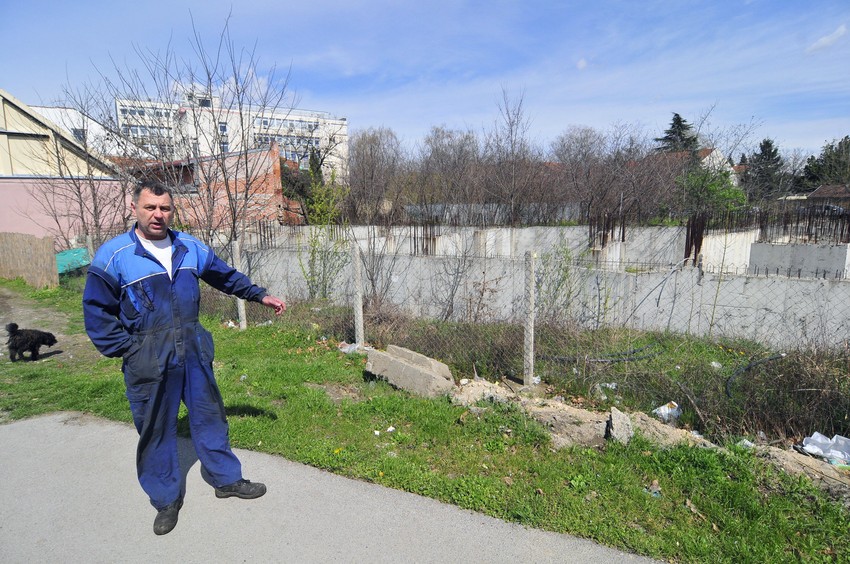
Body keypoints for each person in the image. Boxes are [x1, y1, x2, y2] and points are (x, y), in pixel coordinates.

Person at [83, 179, 286, 535]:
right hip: (148, 356)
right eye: (150, 207)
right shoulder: (115, 255)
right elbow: (96, 312)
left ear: (172, 210)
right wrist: (129, 349)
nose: (158, 214)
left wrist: (259, 296)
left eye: (164, 208)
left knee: (210, 418)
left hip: (192, 349)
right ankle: (165, 500)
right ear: (135, 209)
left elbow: (224, 276)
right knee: (156, 429)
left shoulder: (189, 247)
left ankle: (226, 479)